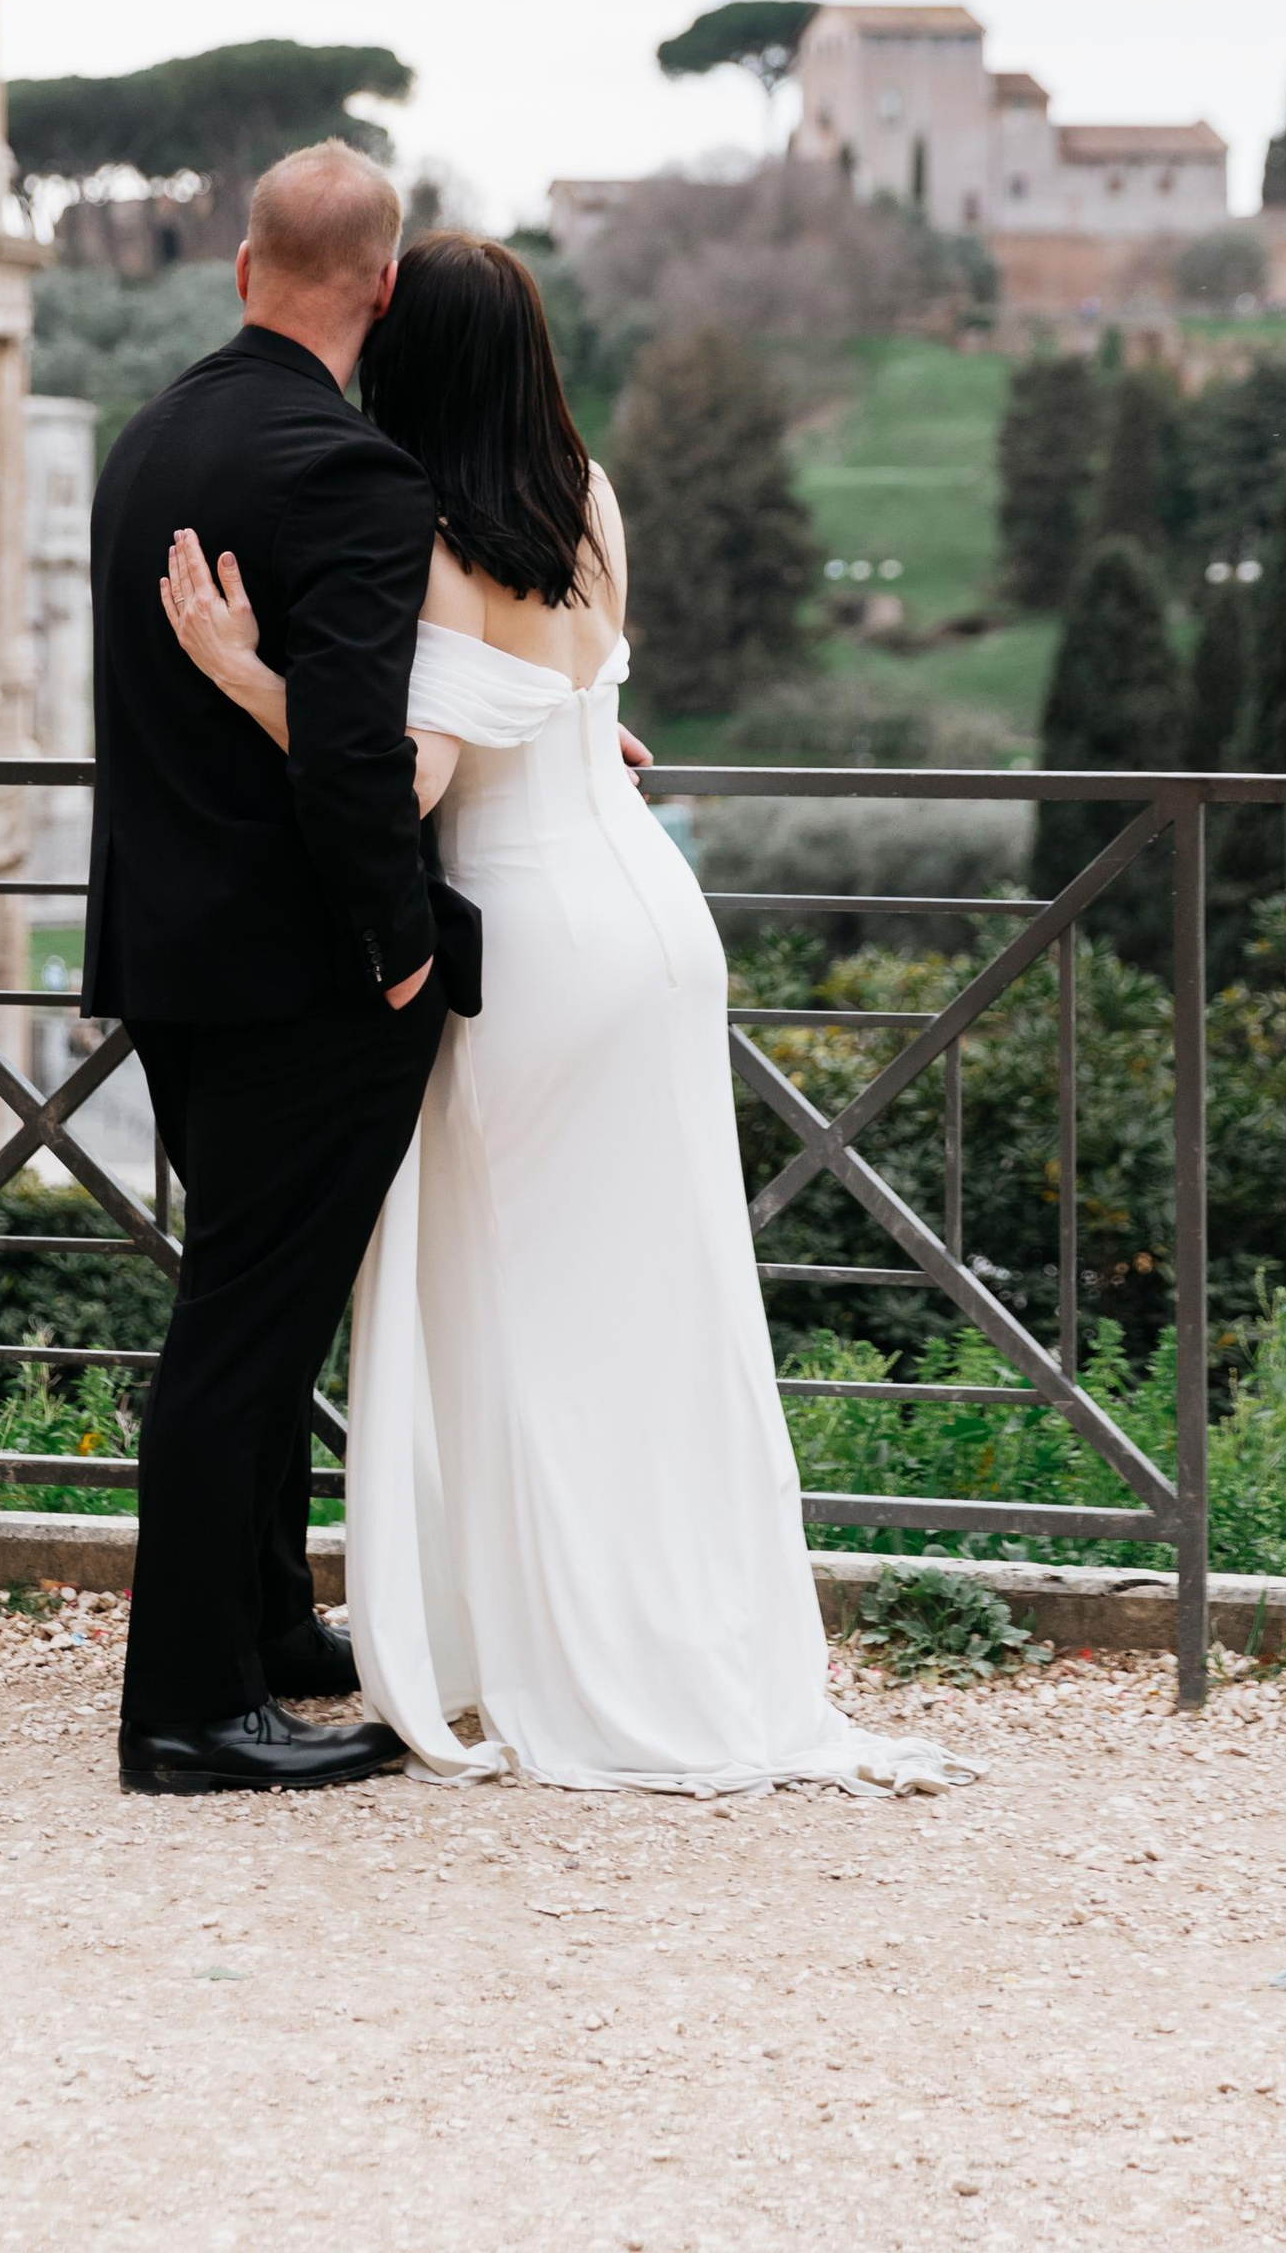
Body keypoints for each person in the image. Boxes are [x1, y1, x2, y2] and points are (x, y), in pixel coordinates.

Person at [161, 230, 967, 1797]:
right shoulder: (587, 497)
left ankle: (565, 1642)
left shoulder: (432, 532)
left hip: (534, 945)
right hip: (657, 918)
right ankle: (688, 1629)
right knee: (661, 1297)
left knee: (525, 1297)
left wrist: (244, 672)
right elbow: (567, 692)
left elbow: (402, 787)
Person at [84, 139, 442, 1795]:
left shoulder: (147, 436)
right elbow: (356, 758)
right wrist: (400, 946)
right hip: (306, 975)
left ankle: (271, 1631)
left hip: (166, 955)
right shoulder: (355, 475)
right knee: (242, 1331)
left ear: (244, 267)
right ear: (378, 284)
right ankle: (182, 1712)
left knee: (248, 1311)